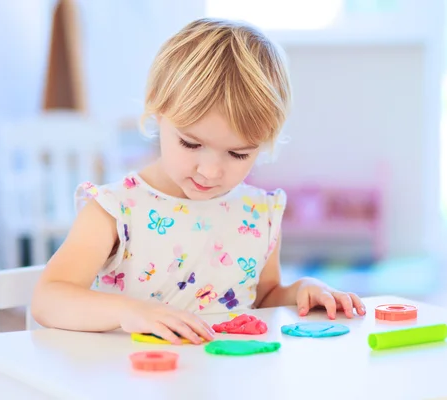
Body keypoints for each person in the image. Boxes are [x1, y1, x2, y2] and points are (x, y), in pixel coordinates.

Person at [31, 18, 366, 345]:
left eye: (238, 154)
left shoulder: (258, 214)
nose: (210, 171)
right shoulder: (115, 211)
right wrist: (128, 311)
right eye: (191, 144)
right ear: (158, 111)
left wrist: (301, 291)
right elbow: (49, 298)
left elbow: (263, 299)